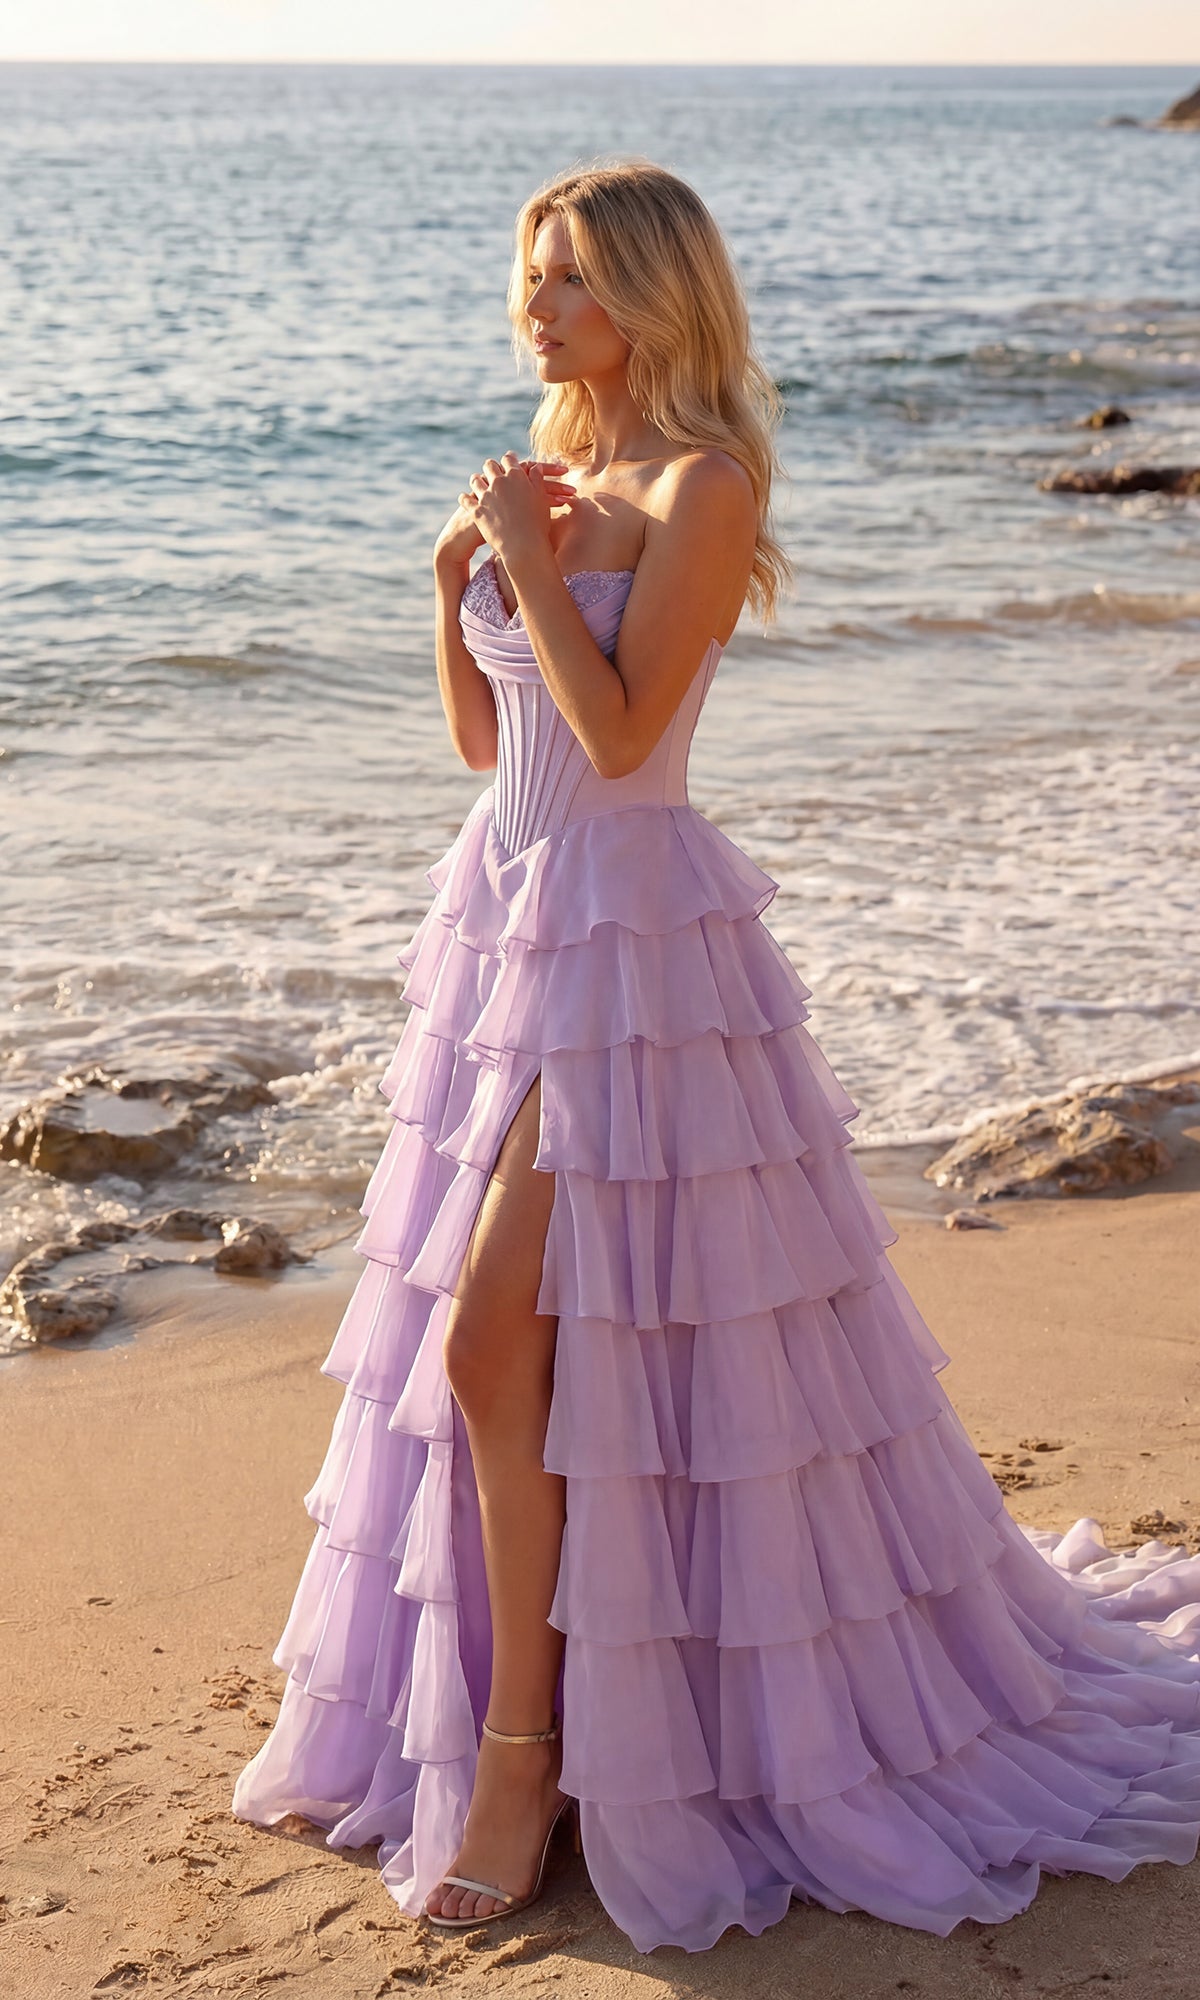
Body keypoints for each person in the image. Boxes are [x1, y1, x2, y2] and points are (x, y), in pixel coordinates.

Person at [231, 160, 1200, 1956]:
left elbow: (617, 747)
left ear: (658, 298)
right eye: (531, 276)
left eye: (573, 282)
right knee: (529, 1353)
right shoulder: (556, 473)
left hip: (638, 942)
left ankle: (529, 1760)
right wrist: (451, 574)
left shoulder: (703, 482)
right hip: (502, 928)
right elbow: (489, 743)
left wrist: (519, 552)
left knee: (497, 1335)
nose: (539, 311)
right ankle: (566, 1730)